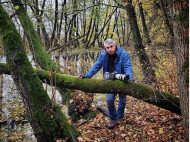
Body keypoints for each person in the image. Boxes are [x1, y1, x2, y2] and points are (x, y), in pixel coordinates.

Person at [80, 39, 134, 129]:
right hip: (109, 82)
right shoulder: (103, 55)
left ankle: (120, 117)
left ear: (115, 45)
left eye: (111, 46)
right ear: (105, 48)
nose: (110, 49)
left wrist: (130, 78)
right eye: (107, 48)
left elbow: (128, 67)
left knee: (122, 100)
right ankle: (113, 119)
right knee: (109, 100)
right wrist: (87, 76)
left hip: (123, 81)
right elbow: (96, 66)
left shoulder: (124, 54)